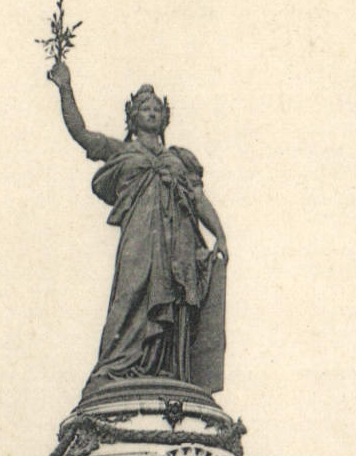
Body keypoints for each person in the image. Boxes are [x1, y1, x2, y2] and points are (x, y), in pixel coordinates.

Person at [48, 59, 229, 398]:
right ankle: (114, 366)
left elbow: (198, 198)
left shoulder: (180, 159)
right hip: (140, 239)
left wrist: (220, 233)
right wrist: (65, 89)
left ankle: (168, 371)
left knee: (175, 302)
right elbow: (82, 134)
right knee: (130, 296)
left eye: (156, 109)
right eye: (144, 108)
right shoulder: (122, 150)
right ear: (132, 116)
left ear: (164, 117)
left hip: (179, 246)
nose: (151, 113)